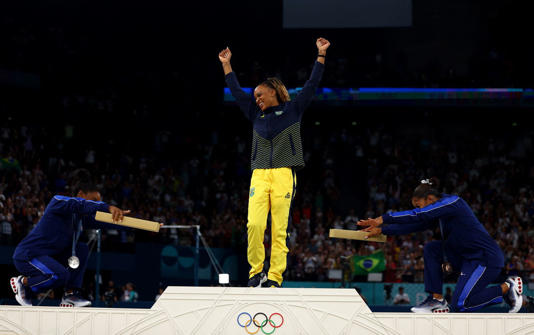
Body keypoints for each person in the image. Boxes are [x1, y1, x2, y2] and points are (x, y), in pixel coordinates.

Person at [218, 38, 330, 288]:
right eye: (255, 96)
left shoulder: (293, 109)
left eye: (259, 94)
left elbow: (312, 84)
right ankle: (255, 272)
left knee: (279, 230)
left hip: (283, 174)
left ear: (273, 91)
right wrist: (227, 65)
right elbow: (236, 91)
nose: (256, 99)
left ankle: (275, 277)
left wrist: (321, 55)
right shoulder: (254, 114)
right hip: (259, 174)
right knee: (254, 225)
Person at [359, 178, 528, 313]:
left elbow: (419, 215)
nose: (418, 209)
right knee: (431, 248)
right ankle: (437, 299)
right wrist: (383, 230)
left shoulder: (453, 202)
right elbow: (415, 225)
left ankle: (508, 287)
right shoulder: (437, 212)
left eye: (419, 205)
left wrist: (383, 218)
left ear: (430, 199)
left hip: (485, 258)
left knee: (462, 305)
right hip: (465, 258)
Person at [10, 170, 131, 307]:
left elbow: (110, 222)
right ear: (80, 194)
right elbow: (81, 205)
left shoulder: (81, 218)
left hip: (50, 256)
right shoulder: (58, 202)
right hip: (28, 255)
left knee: (82, 249)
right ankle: (23, 283)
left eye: (99, 202)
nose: (97, 204)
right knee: (60, 275)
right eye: (94, 200)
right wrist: (107, 206)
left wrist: (148, 225)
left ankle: (70, 294)